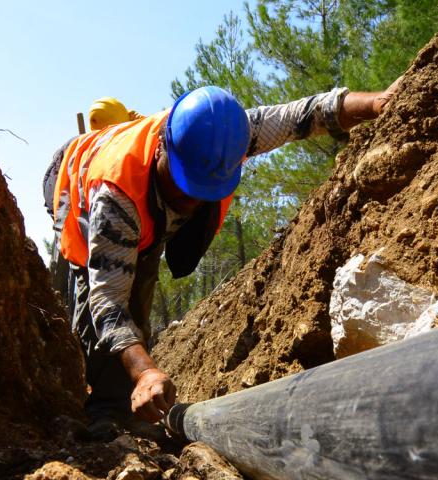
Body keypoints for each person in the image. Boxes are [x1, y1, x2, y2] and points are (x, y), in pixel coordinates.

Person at [44, 82, 401, 440]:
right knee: (98, 291)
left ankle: (125, 394)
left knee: (140, 286)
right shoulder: (116, 198)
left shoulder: (222, 138)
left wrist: (376, 103)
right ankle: (104, 409)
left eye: (200, 191)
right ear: (162, 148)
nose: (189, 201)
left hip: (139, 210)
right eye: (181, 184)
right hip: (72, 183)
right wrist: (145, 372)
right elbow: (108, 301)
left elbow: (303, 115)